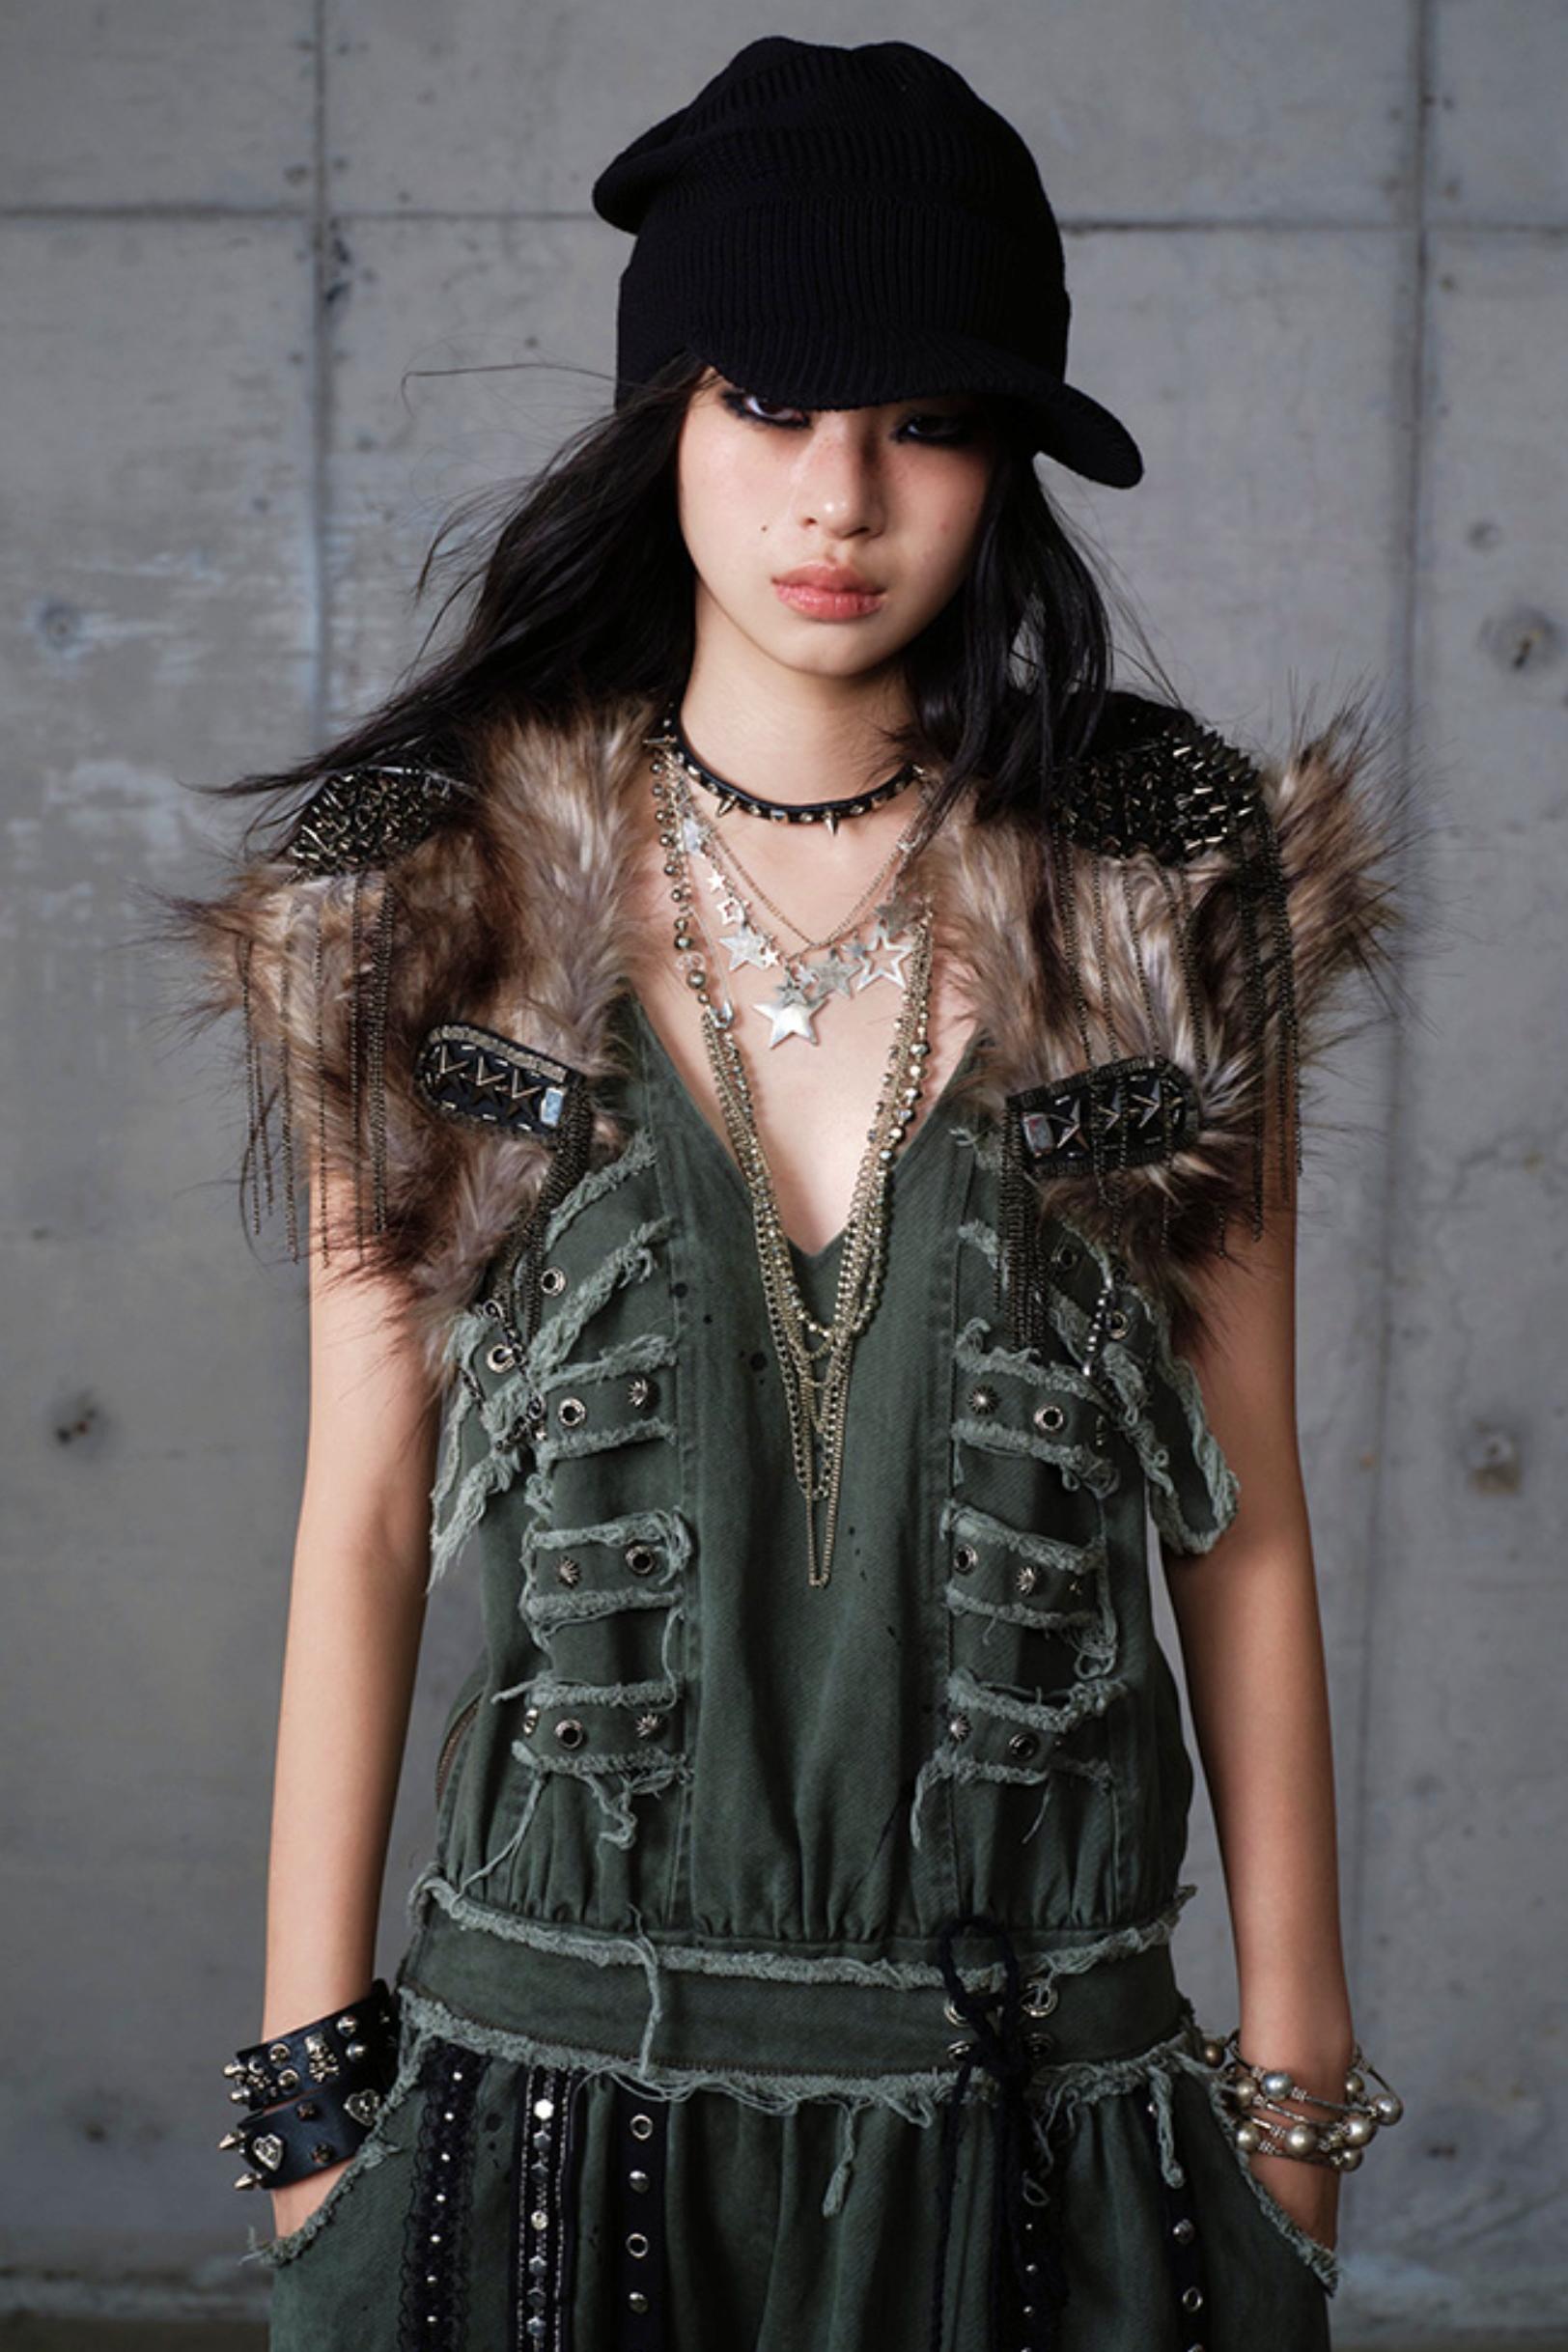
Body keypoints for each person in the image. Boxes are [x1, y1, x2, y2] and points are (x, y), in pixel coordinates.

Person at [160, 35, 1414, 2352]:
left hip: (1043, 2105)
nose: (834, 496)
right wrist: (307, 2099)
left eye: (923, 421)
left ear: (1004, 461)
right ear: (662, 418)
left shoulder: (1155, 889)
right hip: (544, 2105)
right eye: (765, 403)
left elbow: (1234, 1514)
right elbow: (364, 1510)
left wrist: (1294, 2085)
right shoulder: (424, 899)